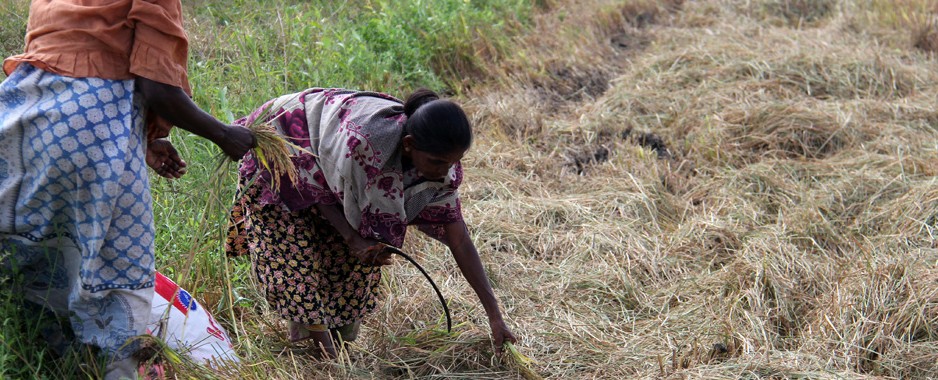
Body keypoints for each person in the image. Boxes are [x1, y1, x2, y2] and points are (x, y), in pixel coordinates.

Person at [0, 1, 254, 378]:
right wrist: (223, 135)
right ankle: (109, 369)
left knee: (34, 253)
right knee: (115, 264)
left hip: (22, 117)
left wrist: (141, 137)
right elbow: (158, 88)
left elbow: (75, 61)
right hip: (91, 126)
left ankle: (30, 361)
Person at [225, 87, 517, 358]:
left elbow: (460, 239)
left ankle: (331, 345)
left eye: (453, 162)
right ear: (408, 145)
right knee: (296, 258)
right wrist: (353, 238)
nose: (446, 172)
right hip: (286, 146)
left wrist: (495, 315)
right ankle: (324, 357)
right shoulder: (363, 145)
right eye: (438, 162)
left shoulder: (442, 168)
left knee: (350, 267)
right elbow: (315, 187)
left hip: (333, 170)